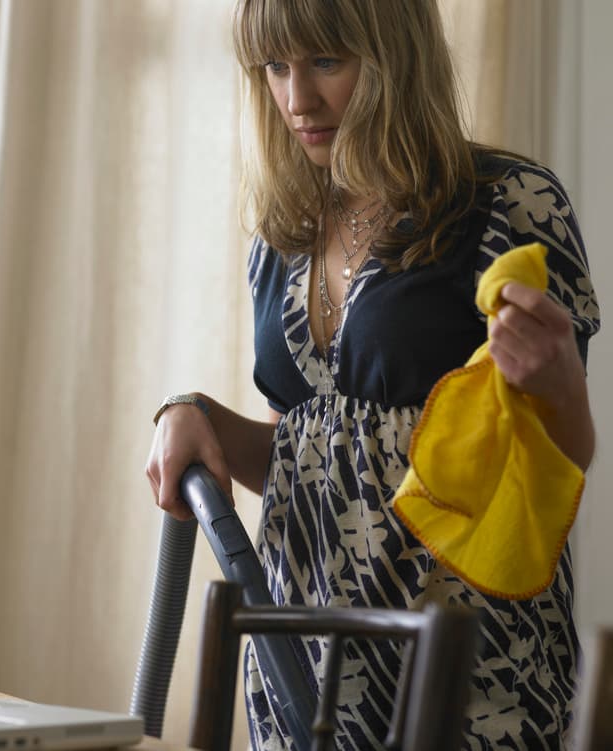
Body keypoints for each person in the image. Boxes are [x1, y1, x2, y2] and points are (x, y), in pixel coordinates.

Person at [144, 0, 600, 748]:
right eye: (276, 67)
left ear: (395, 56)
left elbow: (563, 459)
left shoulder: (506, 200)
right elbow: (300, 452)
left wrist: (557, 382)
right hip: (302, 666)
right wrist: (194, 413)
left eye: (326, 61)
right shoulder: (283, 233)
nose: (297, 99)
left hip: (469, 663)